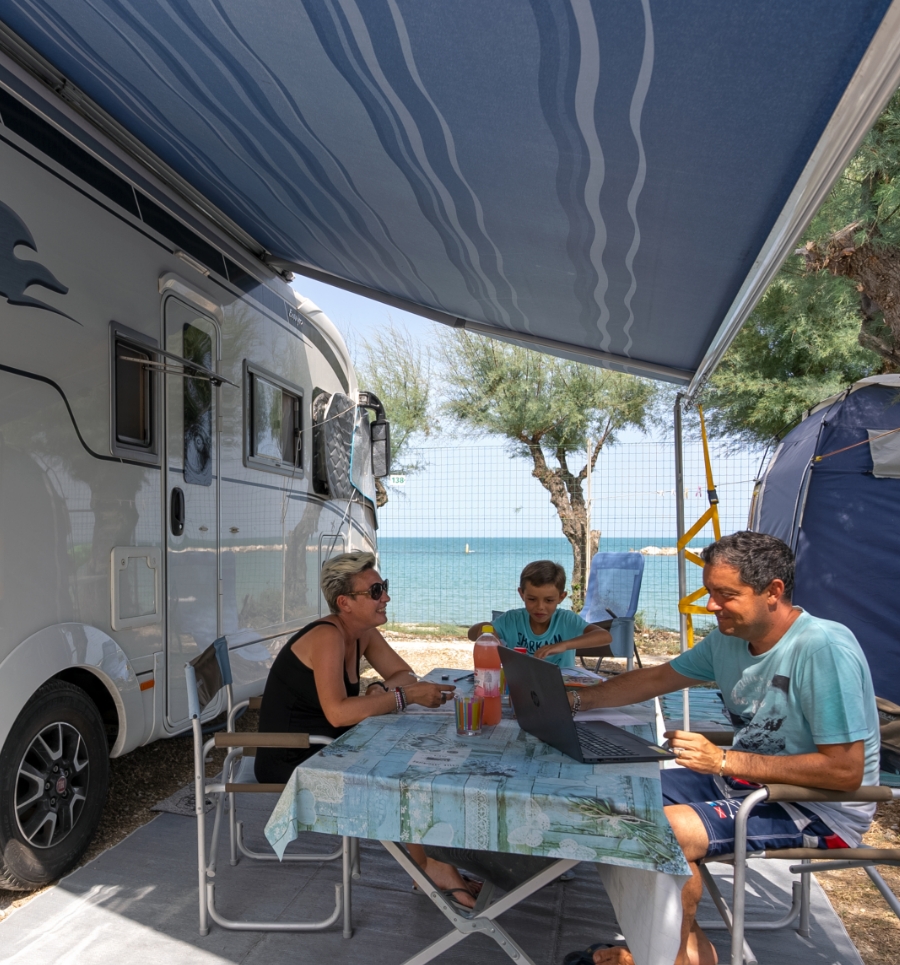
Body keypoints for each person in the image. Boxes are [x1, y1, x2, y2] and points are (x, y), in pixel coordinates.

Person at [563, 532, 880, 965]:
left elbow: (845, 772)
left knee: (662, 830)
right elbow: (658, 678)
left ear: (773, 592)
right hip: (743, 781)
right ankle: (679, 949)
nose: (711, 605)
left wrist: (725, 759)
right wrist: (577, 700)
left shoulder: (822, 649)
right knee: (614, 797)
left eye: (725, 595)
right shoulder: (728, 639)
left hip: (820, 806)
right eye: (709, 591)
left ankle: (671, 955)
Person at [254, 551, 481, 908]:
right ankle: (428, 866)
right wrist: (403, 697)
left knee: (415, 758)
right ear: (345, 602)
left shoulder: (361, 633)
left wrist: (381, 689)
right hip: (293, 755)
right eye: (375, 591)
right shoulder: (327, 636)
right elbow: (339, 713)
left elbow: (405, 674)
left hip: (329, 744)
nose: (386, 597)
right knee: (404, 771)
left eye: (384, 587)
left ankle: (430, 863)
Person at [467, 560, 612, 667]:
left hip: (561, 689)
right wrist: (486, 629)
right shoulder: (511, 619)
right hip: (519, 687)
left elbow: (605, 636)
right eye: (532, 599)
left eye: (549, 600)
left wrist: (565, 645)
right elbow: (471, 634)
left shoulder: (566, 620)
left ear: (561, 597)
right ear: (521, 594)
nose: (540, 607)